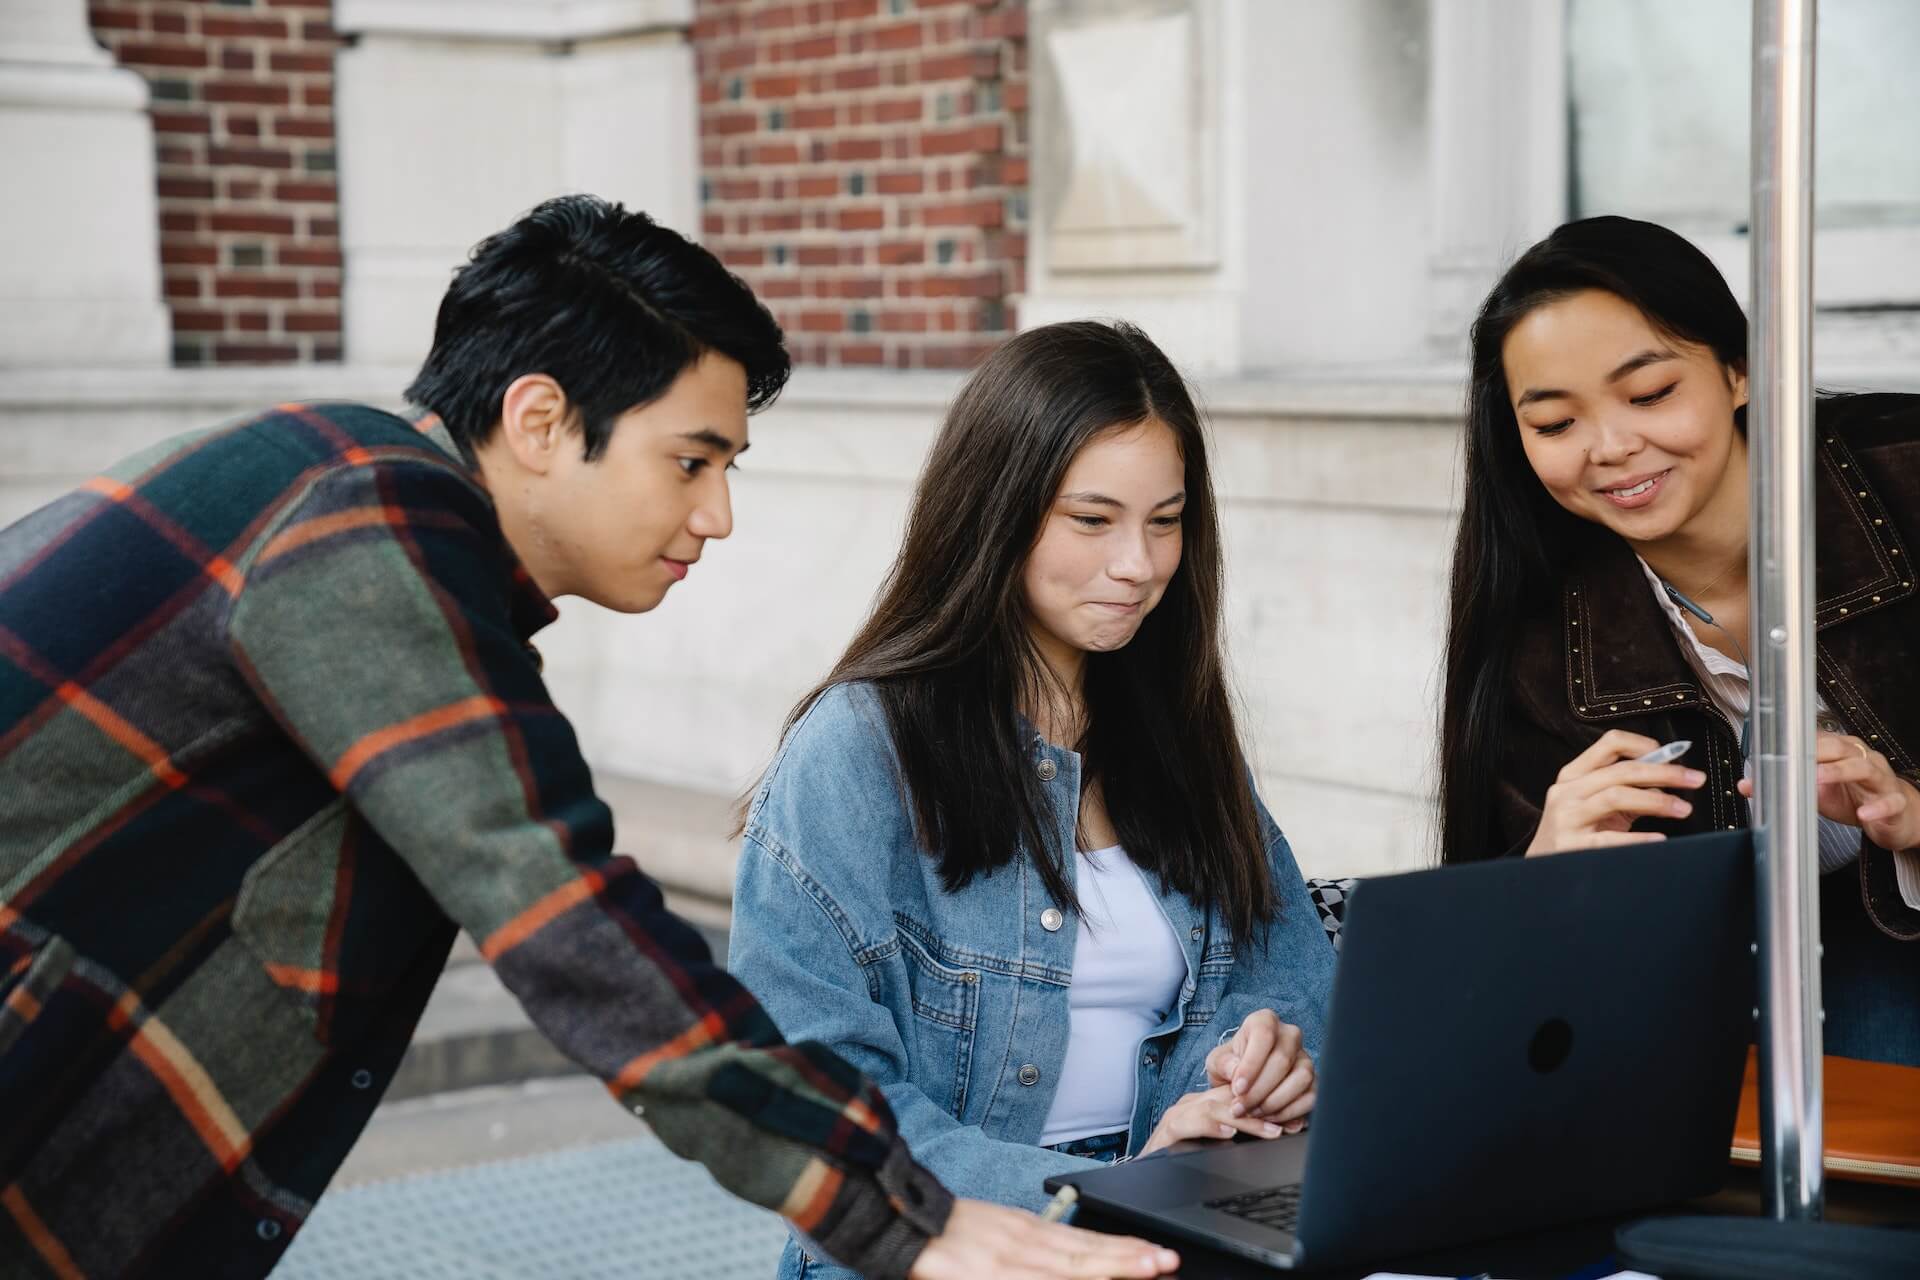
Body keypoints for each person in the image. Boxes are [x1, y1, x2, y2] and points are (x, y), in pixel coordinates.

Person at [0, 196, 1180, 1280]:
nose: (717, 514)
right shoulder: (357, 520)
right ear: (541, 419)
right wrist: (898, 1213)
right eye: (692, 460)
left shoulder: (356, 512)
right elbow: (556, 904)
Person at [728, 320, 1336, 1279]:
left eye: (1166, 520)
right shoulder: (858, 751)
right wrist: (1103, 1192)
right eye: (1091, 520)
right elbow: (816, 1093)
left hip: (1177, 1230)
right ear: (995, 512)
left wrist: (1251, 1066)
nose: (1138, 563)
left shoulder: (1181, 736)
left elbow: (1292, 973)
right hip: (954, 1250)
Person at [1438, 214, 1920, 1065]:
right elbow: (1497, 983)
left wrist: (1912, 819)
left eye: (1650, 394)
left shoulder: (1902, 476)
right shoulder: (1533, 624)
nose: (1613, 448)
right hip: (1702, 1001)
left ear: (1740, 370)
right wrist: (1547, 870)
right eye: (1554, 424)